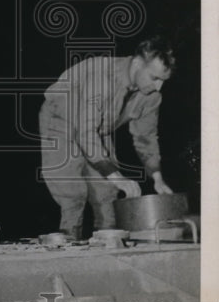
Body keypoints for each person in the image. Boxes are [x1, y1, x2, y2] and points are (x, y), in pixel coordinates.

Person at [38, 35, 176, 239]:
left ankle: (109, 249)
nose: (158, 87)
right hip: (61, 121)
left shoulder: (152, 95)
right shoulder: (101, 75)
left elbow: (145, 136)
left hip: (98, 129)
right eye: (154, 78)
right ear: (137, 63)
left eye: (163, 81)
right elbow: (84, 131)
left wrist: (157, 177)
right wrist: (116, 176)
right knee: (73, 192)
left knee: (107, 194)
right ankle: (67, 244)